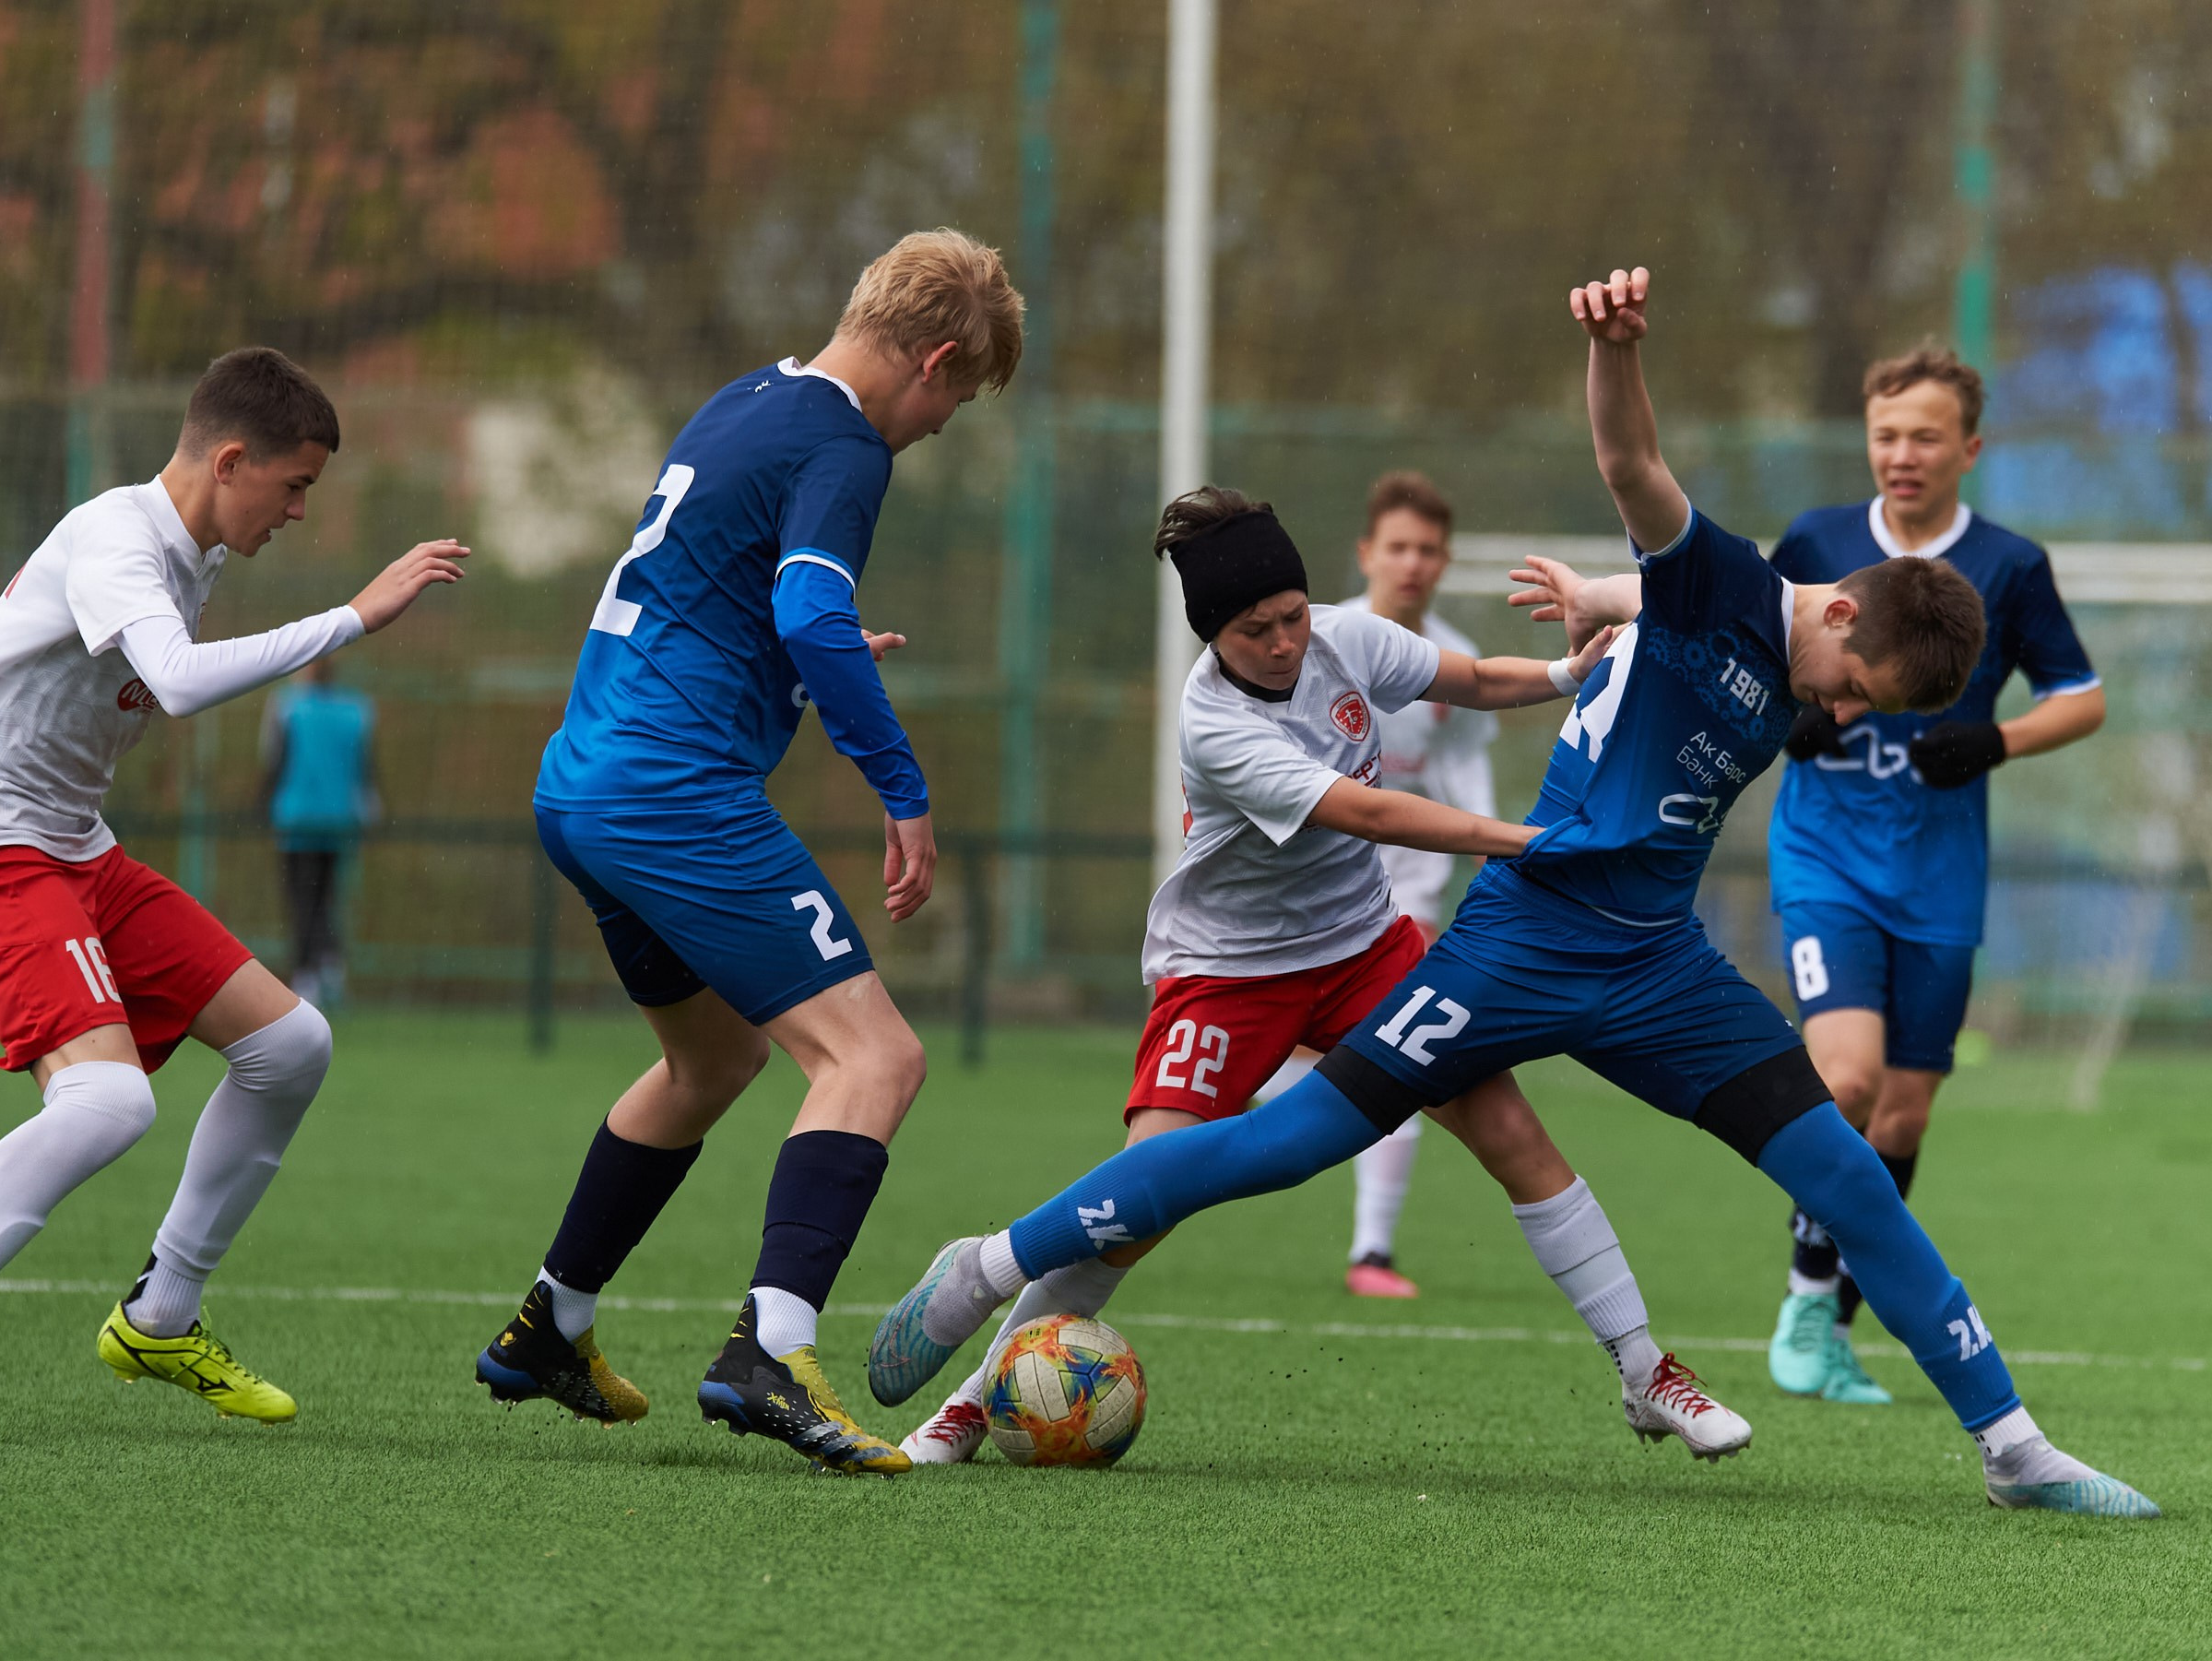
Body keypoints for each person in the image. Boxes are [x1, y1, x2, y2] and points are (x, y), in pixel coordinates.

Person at [869, 267, 2159, 1518]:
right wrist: (1616, 348)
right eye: (1849, 686)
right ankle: (989, 1262)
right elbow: (1632, 470)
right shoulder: (1721, 581)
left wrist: (1590, 617)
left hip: (1662, 969)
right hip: (1517, 945)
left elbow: (1620, 620)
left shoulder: (1771, 645)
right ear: (1833, 609)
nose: (1836, 713)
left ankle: (2011, 1444)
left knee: (1850, 1174)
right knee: (1283, 1147)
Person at [894, 485, 1749, 1467]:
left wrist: (1562, 672)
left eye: (1292, 615)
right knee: (1139, 1200)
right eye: (1255, 629)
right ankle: (975, 1399)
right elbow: (1377, 816)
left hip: (1364, 951)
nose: (1284, 641)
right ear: (1213, 635)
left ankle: (1646, 1372)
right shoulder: (1212, 724)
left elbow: (1465, 678)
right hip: (1226, 974)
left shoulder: (1347, 636)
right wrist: (1528, 840)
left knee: (1508, 1127)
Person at [469, 230, 1021, 1476]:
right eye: (958, 400)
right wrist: (902, 784)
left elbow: (722, 593)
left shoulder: (747, 401)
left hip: (585, 779)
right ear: (933, 360)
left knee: (711, 1057)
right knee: (876, 1057)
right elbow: (807, 606)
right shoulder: (846, 443)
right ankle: (770, 1349)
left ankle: (552, 1322)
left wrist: (804, 653)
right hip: (671, 790)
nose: (941, 427)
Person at [0, 348, 467, 1440]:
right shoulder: (116, 541)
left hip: (71, 846)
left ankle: (162, 1312)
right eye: (294, 486)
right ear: (231, 461)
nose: (297, 511)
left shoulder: (194, 548)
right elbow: (178, 685)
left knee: (293, 1045)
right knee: (107, 1101)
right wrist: (354, 616)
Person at [1763, 348, 2103, 1406]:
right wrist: (1794, 722)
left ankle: (1830, 1320)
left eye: (1922, 435)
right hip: (1824, 855)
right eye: (1884, 434)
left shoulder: (2008, 565)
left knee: (1902, 1117)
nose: (1900, 454)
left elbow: (2080, 695)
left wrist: (1993, 744)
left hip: (1941, 874)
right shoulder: (1818, 542)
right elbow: (1749, 660)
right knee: (1847, 1078)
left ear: (1969, 447)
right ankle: (1803, 1305)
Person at [1253, 471, 1507, 1299]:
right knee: (1285, 1057)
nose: (1414, 562)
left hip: (1407, 891)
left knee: (1410, 1052)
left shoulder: (1448, 660)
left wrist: (1494, 840)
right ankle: (1195, 1165)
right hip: (1310, 883)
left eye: (1430, 550)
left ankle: (1371, 1251)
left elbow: (1463, 761)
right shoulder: (1317, 643)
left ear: (1445, 561)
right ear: (1368, 552)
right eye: (1399, 546)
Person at [260, 656, 377, 1007]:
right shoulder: (356, 711)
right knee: (327, 896)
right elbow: (366, 768)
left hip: (297, 819)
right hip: (339, 819)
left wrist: (260, 806)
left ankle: (306, 975)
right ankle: (329, 969)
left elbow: (275, 761)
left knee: (301, 899)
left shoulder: (288, 708)